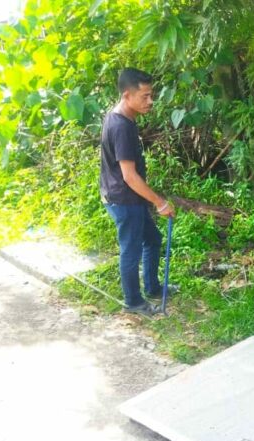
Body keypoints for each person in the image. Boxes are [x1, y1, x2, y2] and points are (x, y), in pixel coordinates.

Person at [99, 68, 175, 317]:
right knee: (130, 250)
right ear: (126, 95)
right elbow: (129, 176)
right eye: (144, 96)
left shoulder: (122, 116)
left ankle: (152, 287)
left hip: (128, 197)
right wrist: (160, 203)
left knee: (152, 240)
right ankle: (133, 301)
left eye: (151, 95)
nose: (150, 101)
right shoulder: (121, 126)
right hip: (124, 199)